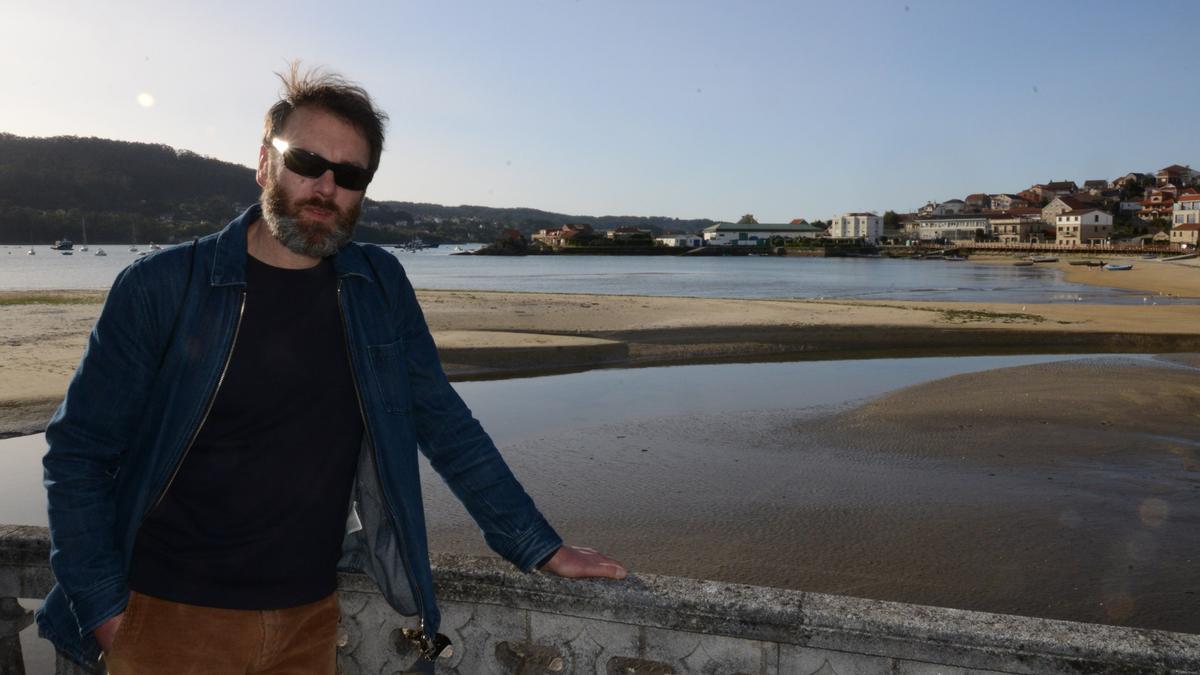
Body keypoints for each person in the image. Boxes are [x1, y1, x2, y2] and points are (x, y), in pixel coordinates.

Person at [36, 64, 626, 674]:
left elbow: (445, 424)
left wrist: (537, 545)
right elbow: (77, 452)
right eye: (306, 162)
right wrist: (108, 615)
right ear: (265, 162)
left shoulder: (377, 286)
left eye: (349, 175)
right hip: (167, 614)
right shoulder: (164, 287)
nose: (325, 186)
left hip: (308, 617)